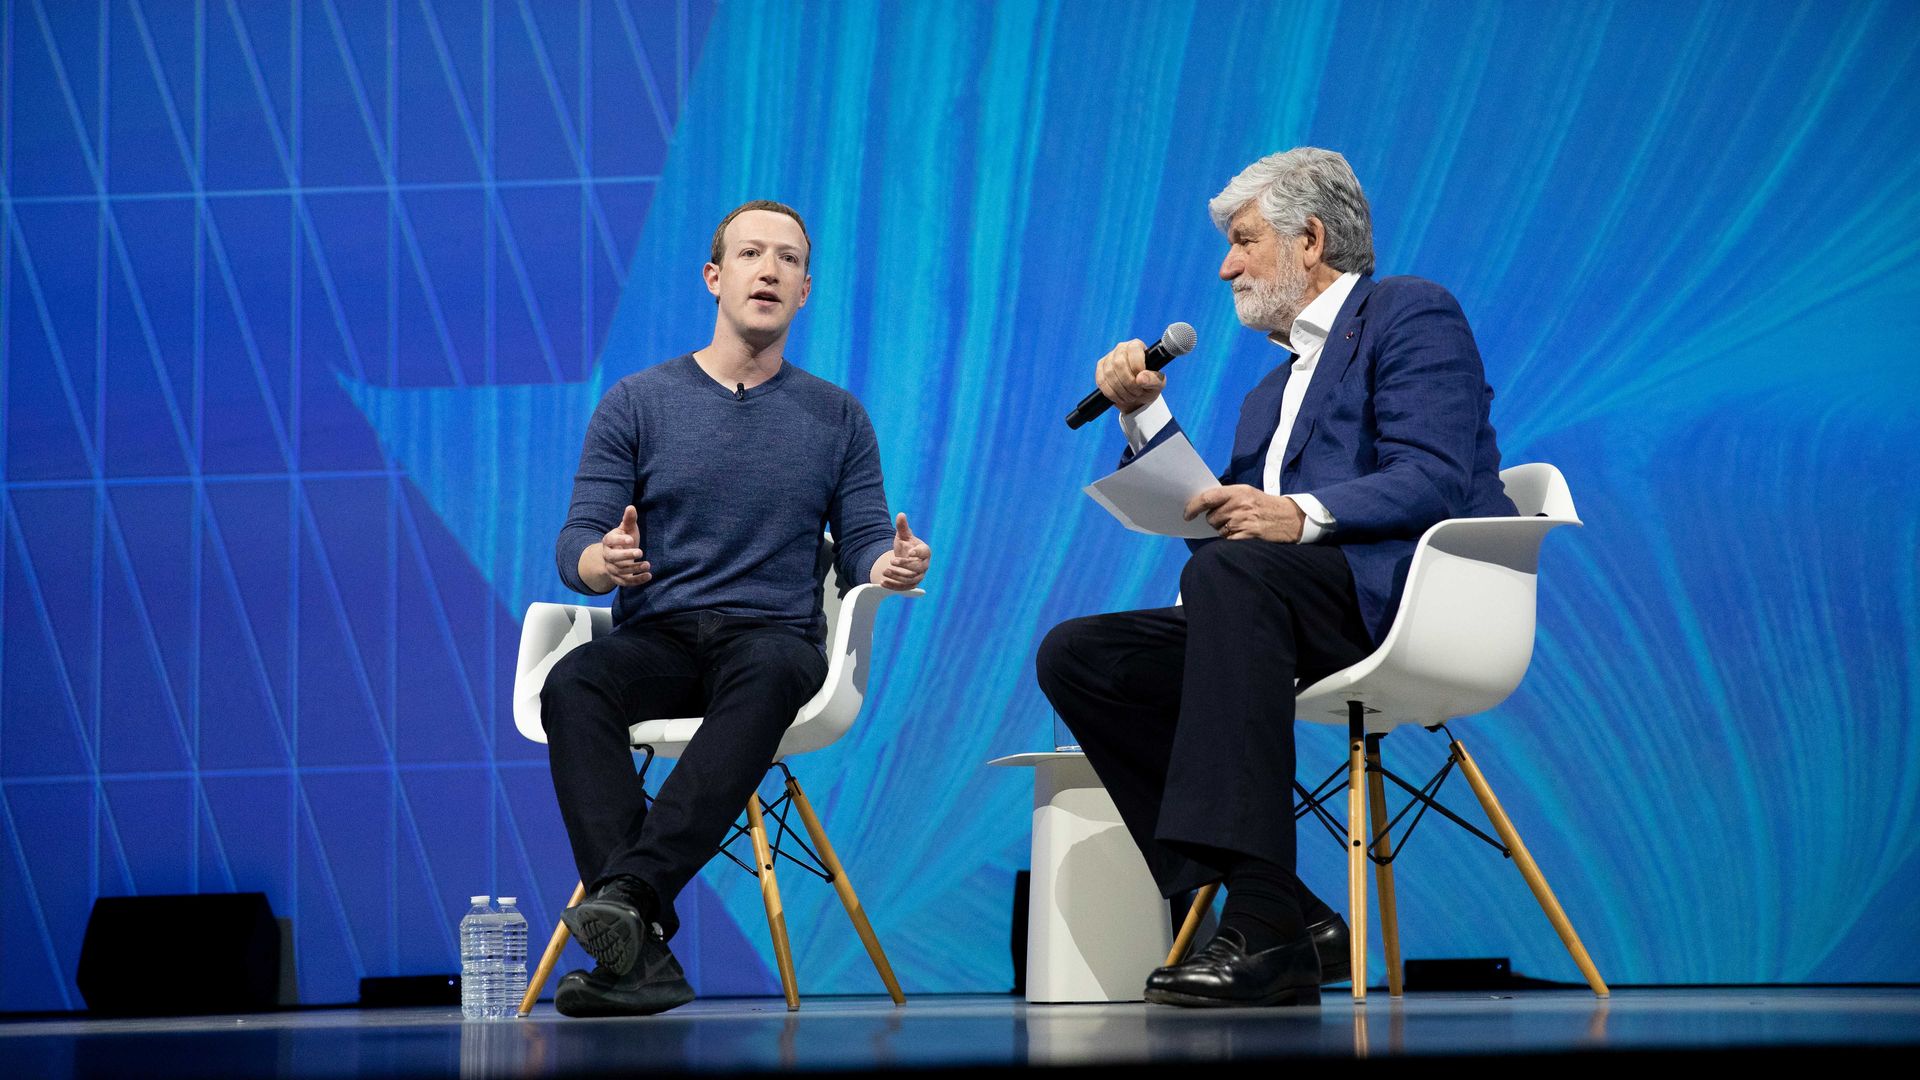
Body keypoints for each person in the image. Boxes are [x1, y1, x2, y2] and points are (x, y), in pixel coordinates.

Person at [1035, 148, 1515, 1008]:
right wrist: (1145, 416)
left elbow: (1435, 474)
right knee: (1081, 654)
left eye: (1244, 240)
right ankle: (1290, 909)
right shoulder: (1269, 393)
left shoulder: (1410, 312)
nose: (1225, 265)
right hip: (1273, 607)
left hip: (1398, 597)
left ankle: (1261, 927)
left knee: (1239, 580)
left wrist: (1300, 515)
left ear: (1312, 238)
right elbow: (1223, 544)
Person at [541, 200, 932, 1017]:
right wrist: (600, 559)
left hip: (772, 640)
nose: (770, 270)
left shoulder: (838, 416)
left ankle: (632, 910)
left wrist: (887, 564)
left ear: (805, 290)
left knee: (770, 670)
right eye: (751, 254)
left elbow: (861, 539)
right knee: (574, 683)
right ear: (716, 278)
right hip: (664, 637)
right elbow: (577, 538)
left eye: (788, 260)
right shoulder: (638, 402)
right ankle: (637, 939)